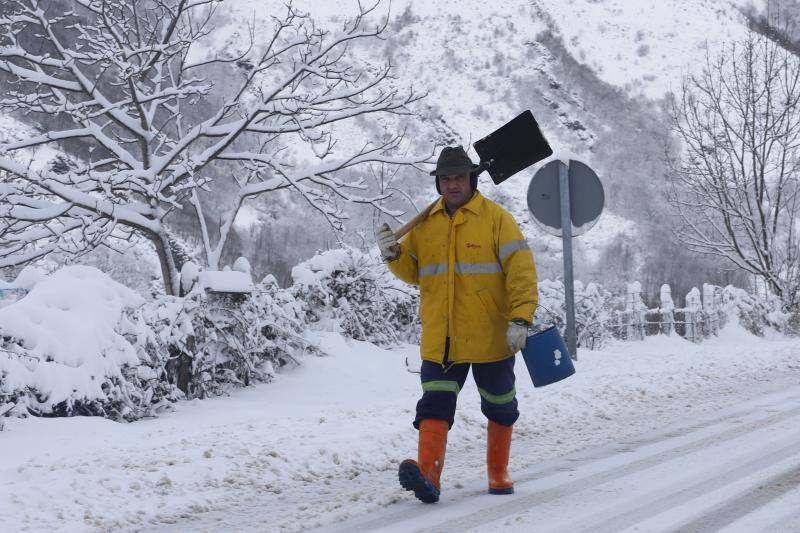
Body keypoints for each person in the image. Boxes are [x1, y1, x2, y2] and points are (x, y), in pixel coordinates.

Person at [376, 145, 538, 504]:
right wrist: (394, 254)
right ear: (438, 184)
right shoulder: (425, 225)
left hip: (491, 337)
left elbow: (521, 273)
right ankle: (428, 475)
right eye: (445, 179)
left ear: (472, 179)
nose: (452, 185)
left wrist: (521, 317)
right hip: (441, 338)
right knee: (434, 406)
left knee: (500, 404)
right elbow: (415, 274)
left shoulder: (497, 219)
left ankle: (498, 472)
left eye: (459, 177)